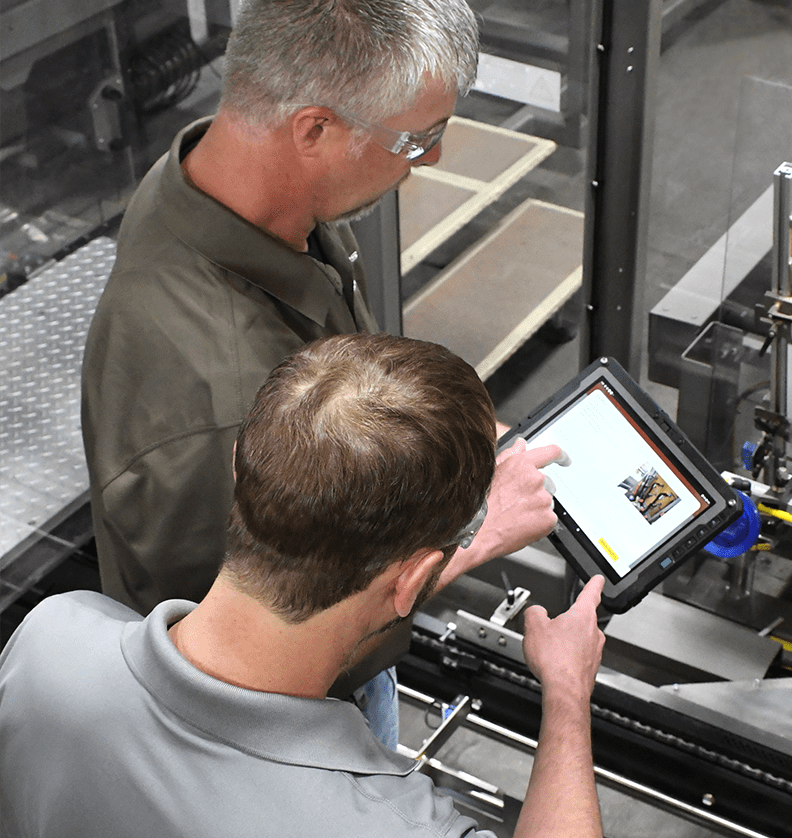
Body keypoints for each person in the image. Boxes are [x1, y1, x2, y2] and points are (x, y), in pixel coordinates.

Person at [80, 0, 559, 727]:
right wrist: (478, 533)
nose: (429, 158)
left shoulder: (213, 183)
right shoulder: (223, 407)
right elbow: (251, 667)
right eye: (418, 137)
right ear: (314, 128)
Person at [2, 334, 606, 838]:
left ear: (240, 465)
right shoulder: (392, 825)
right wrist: (567, 692)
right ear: (416, 576)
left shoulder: (50, 639)